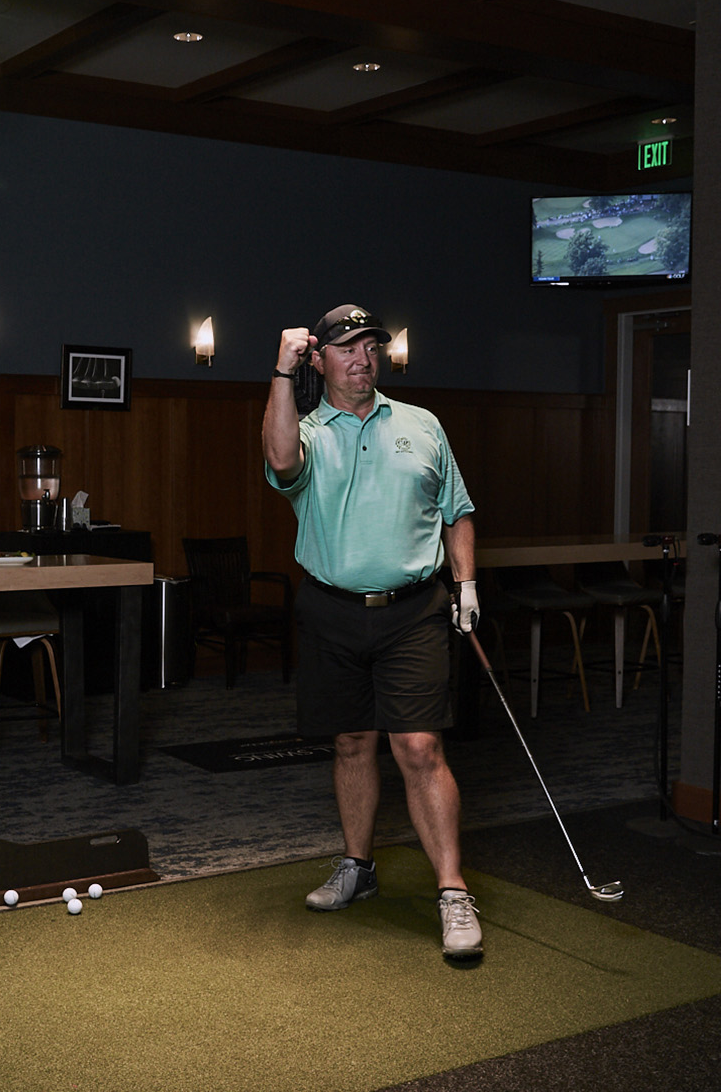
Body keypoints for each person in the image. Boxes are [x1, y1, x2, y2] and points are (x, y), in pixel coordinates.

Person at [261, 304, 484, 961]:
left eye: (371, 347)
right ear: (319, 359)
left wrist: (467, 584)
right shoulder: (306, 429)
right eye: (348, 348)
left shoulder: (423, 424)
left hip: (413, 610)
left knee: (419, 746)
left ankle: (452, 890)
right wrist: (281, 371)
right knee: (352, 741)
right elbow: (280, 461)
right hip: (331, 609)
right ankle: (357, 867)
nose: (363, 358)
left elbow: (457, 512)